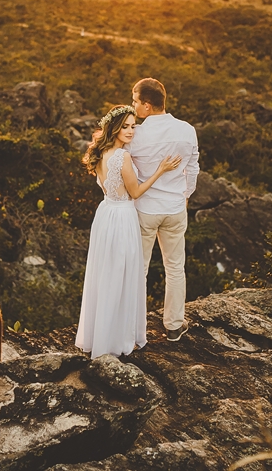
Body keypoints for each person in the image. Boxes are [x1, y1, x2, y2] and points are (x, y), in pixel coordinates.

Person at [75, 104, 181, 358]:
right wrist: (160, 171)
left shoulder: (100, 153)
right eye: (126, 126)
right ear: (114, 127)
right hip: (122, 215)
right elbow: (135, 192)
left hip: (105, 214)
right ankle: (118, 339)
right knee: (123, 275)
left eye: (134, 126)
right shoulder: (122, 157)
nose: (131, 131)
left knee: (105, 275)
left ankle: (101, 336)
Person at [128, 78, 199, 342]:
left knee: (140, 269)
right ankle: (173, 326)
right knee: (175, 267)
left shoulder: (136, 134)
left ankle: (135, 328)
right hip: (175, 208)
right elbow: (193, 169)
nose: (133, 105)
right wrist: (185, 196)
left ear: (147, 106)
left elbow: (129, 171)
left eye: (135, 100)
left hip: (145, 209)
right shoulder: (187, 130)